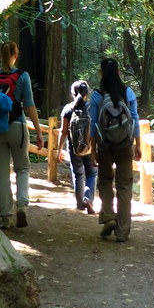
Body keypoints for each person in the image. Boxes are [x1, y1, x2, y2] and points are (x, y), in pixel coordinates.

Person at [0, 41, 44, 229]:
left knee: (1, 174)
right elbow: (29, 104)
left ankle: (5, 216)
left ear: (1, 55)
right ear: (16, 54)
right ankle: (21, 205)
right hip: (17, 127)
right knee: (22, 168)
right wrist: (38, 131)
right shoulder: (22, 76)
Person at [88, 58, 141, 242]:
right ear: (118, 71)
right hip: (125, 145)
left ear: (101, 73)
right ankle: (122, 231)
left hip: (105, 146)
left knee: (104, 181)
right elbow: (134, 119)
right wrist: (138, 145)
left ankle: (109, 215)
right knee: (124, 186)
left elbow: (93, 124)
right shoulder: (128, 93)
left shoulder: (97, 95)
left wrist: (93, 150)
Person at [58, 80, 97, 215]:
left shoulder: (68, 109)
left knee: (78, 174)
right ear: (87, 93)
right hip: (91, 147)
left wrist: (59, 150)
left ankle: (80, 204)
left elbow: (63, 132)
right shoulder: (92, 108)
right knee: (92, 173)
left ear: (73, 93)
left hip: (74, 148)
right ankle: (88, 199)